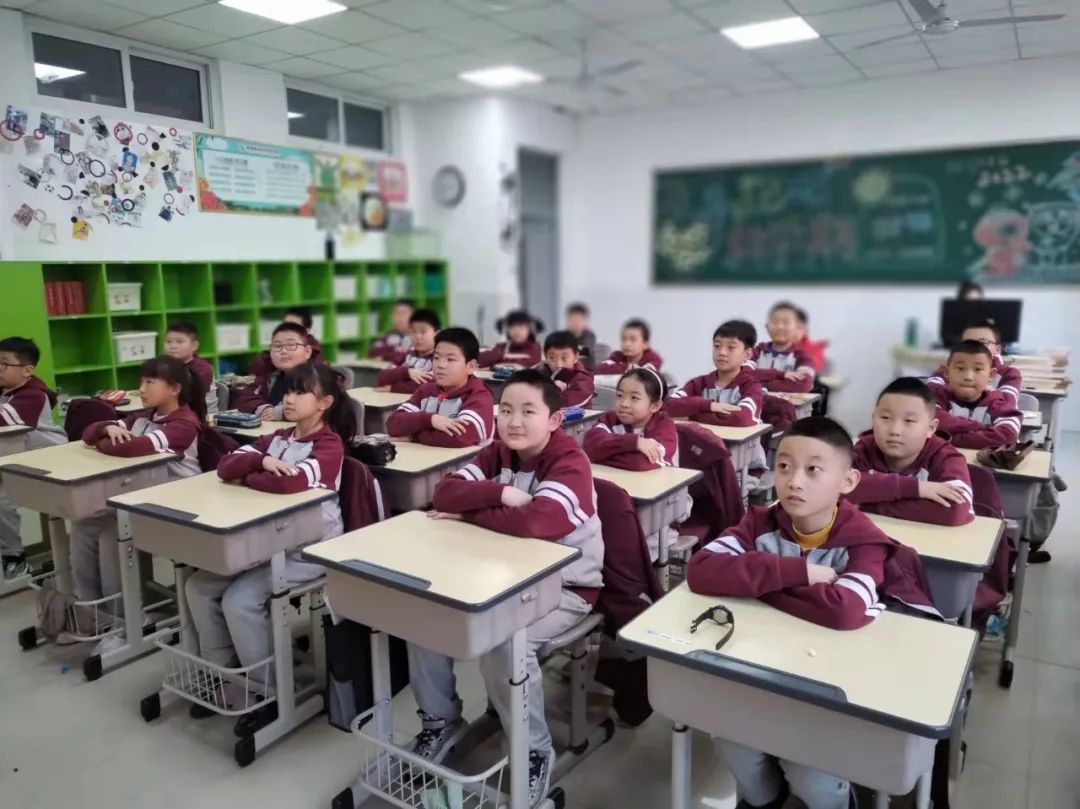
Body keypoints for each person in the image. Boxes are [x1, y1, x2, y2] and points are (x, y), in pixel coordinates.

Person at [687, 416, 936, 809]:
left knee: (810, 773)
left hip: (835, 687)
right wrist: (797, 573)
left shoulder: (864, 542)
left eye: (813, 470)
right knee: (733, 744)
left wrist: (758, 585)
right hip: (763, 672)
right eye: (784, 466)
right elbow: (700, 571)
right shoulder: (759, 523)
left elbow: (844, 611)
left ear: (848, 481)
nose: (795, 481)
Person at [408, 369, 603, 806]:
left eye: (528, 412)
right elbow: (445, 494)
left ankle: (533, 750)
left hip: (565, 589)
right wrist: (500, 496)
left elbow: (538, 521)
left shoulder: (569, 461)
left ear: (554, 419)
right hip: (498, 578)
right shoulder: (496, 453)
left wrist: (471, 512)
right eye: (507, 411)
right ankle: (440, 721)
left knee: (503, 644)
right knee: (425, 614)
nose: (514, 421)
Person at [186, 363, 353, 735]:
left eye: (300, 392)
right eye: (288, 391)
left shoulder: (329, 445)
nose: (288, 399)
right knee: (198, 587)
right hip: (266, 537)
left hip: (308, 549)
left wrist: (249, 474)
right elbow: (226, 466)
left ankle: (271, 692)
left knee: (239, 600)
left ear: (324, 402)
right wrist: (260, 462)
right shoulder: (277, 438)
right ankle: (227, 674)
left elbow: (289, 484)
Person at [77, 356, 205, 655]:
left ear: (175, 388)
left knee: (112, 535)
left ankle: (128, 621)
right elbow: (89, 432)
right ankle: (93, 612)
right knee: (83, 525)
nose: (142, 389)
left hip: (177, 508)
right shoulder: (144, 417)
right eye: (141, 381)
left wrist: (106, 437)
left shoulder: (183, 424)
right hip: (141, 501)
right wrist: (107, 428)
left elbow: (130, 447)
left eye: (150, 382)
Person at [583, 368, 687, 561]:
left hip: (659, 514)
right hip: (619, 504)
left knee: (626, 554)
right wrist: (634, 443)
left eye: (634, 398)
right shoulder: (610, 419)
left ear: (655, 406)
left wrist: (605, 453)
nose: (623, 403)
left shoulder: (664, 428)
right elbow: (590, 445)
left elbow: (641, 464)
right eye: (620, 395)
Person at [848, 377, 974, 526]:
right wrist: (916, 488)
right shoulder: (862, 449)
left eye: (909, 421)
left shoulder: (946, 457)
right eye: (885, 418)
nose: (895, 430)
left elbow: (956, 511)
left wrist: (871, 504)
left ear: (931, 428)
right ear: (873, 419)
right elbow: (833, 489)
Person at [0, 337, 66, 579]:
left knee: (2, 501)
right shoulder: (6, 389)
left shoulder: (33, 394)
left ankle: (14, 558)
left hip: (47, 460)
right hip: (17, 458)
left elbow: (4, 420)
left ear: (27, 371)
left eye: (4, 364)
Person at [385, 327, 493, 447]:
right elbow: (393, 424)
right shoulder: (426, 391)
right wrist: (431, 420)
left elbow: (459, 437)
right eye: (436, 358)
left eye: (450, 359)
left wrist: (413, 436)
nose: (440, 365)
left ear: (470, 366)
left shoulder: (479, 396)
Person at [665, 320, 762, 427]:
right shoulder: (699, 383)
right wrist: (708, 405)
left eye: (731, 347)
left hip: (740, 439)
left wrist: (691, 415)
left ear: (747, 354)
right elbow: (667, 405)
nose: (722, 352)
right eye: (717, 346)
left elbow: (741, 418)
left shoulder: (751, 386)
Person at [932, 340, 1022, 449]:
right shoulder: (936, 398)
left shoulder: (999, 404)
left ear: (991, 375)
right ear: (947, 372)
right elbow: (933, 423)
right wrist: (983, 429)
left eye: (978, 369)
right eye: (960, 368)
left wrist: (948, 438)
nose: (968, 377)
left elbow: (1008, 436)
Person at [926, 320, 1021, 406]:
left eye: (983, 342)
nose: (974, 347)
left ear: (998, 349)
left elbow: (1007, 405)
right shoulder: (947, 369)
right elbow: (929, 397)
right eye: (968, 343)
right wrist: (960, 389)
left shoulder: (1009, 374)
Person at [235, 322, 314, 420]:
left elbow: (318, 406)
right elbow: (244, 399)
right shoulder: (269, 375)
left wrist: (280, 412)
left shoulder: (319, 378)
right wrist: (263, 409)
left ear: (307, 352)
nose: (283, 351)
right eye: (277, 346)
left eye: (291, 345)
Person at [748, 301, 816, 394]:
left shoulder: (803, 356)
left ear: (797, 328)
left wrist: (761, 383)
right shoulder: (757, 351)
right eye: (775, 322)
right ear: (767, 326)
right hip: (758, 403)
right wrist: (781, 376)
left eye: (786, 322)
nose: (780, 327)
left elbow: (803, 385)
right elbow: (743, 375)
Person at [375, 308, 441, 394]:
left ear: (436, 334)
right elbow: (382, 378)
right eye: (413, 331)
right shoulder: (406, 355)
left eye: (423, 332)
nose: (418, 336)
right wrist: (407, 372)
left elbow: (428, 386)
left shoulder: (439, 359)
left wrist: (393, 388)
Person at [164, 321, 218, 416]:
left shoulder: (202, 369)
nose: (172, 346)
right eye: (168, 342)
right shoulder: (166, 366)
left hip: (202, 416)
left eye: (179, 342)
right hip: (176, 411)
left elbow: (188, 397)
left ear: (194, 346)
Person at [249, 306, 323, 377]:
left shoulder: (314, 358)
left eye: (293, 327)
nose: (286, 330)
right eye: (285, 325)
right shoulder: (269, 356)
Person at [538, 330, 594, 408]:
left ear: (576, 357)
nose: (558, 364)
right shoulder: (541, 374)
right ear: (546, 357)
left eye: (564, 358)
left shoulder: (584, 379)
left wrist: (553, 389)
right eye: (552, 358)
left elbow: (566, 402)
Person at [596, 318, 663, 375]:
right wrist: (627, 368)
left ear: (645, 344)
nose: (627, 344)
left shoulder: (653, 358)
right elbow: (601, 368)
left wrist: (637, 370)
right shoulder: (617, 356)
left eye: (633, 339)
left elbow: (648, 373)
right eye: (623, 339)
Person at [478, 309, 542, 368]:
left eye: (521, 327)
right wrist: (500, 355)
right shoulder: (502, 347)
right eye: (512, 327)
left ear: (530, 330)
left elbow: (521, 367)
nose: (516, 331)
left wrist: (499, 360)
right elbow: (478, 360)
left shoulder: (535, 348)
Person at [564, 302, 597, 370]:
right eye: (572, 320)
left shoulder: (589, 335)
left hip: (586, 370)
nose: (575, 323)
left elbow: (585, 350)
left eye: (579, 320)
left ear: (585, 321)